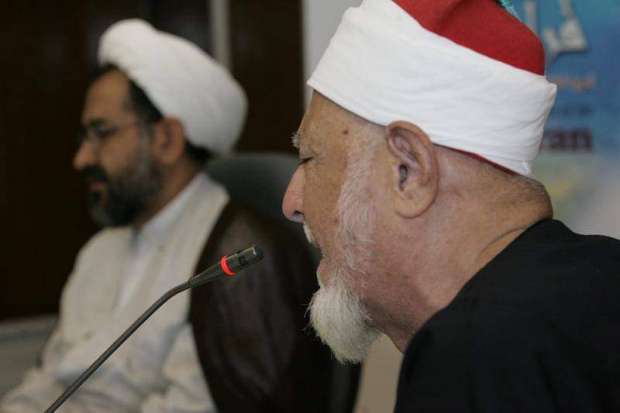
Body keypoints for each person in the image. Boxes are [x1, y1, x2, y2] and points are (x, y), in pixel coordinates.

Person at [282, 0, 620, 411]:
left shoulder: (473, 356)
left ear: (408, 172)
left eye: (311, 159)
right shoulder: (604, 275)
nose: (291, 202)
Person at [1, 19, 341, 413]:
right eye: (84, 137)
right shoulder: (98, 252)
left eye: (102, 133)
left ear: (166, 139)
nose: (82, 158)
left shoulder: (232, 262)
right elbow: (46, 381)